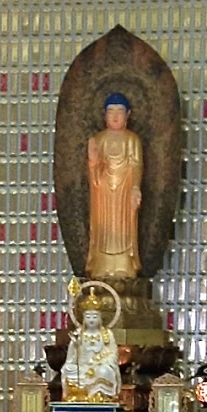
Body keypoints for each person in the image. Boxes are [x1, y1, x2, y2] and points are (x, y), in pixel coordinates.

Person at [86, 92, 143, 280]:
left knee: (123, 230)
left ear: (128, 115)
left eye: (120, 111)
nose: (115, 116)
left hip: (124, 194)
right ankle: (102, 267)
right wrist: (93, 161)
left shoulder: (132, 140)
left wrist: (135, 187)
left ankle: (124, 267)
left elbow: (136, 165)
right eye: (111, 111)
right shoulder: (100, 139)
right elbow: (95, 172)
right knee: (103, 229)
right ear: (104, 115)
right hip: (103, 195)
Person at [61, 292, 122, 404]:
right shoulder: (79, 334)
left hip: (99, 366)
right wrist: (75, 346)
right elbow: (71, 358)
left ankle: (99, 394)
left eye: (95, 316)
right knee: (68, 370)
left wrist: (99, 363)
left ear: (100, 318)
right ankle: (79, 395)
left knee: (105, 371)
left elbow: (113, 354)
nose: (91, 320)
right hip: (82, 368)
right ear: (83, 318)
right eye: (88, 317)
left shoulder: (107, 334)